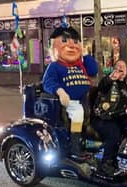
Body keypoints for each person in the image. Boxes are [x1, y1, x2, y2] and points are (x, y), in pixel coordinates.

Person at [42, 26, 98, 157]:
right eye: (65, 41)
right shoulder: (55, 66)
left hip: (85, 99)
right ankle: (75, 146)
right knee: (78, 114)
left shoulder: (80, 64)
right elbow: (48, 82)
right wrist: (60, 92)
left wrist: (84, 53)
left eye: (75, 41)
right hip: (70, 102)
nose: (71, 45)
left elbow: (93, 70)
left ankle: (91, 143)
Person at [93, 60, 127, 176]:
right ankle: (104, 163)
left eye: (123, 66)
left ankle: (126, 159)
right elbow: (101, 87)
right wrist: (110, 78)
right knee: (114, 134)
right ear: (114, 69)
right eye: (118, 66)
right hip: (104, 118)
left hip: (119, 118)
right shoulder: (109, 82)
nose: (121, 68)